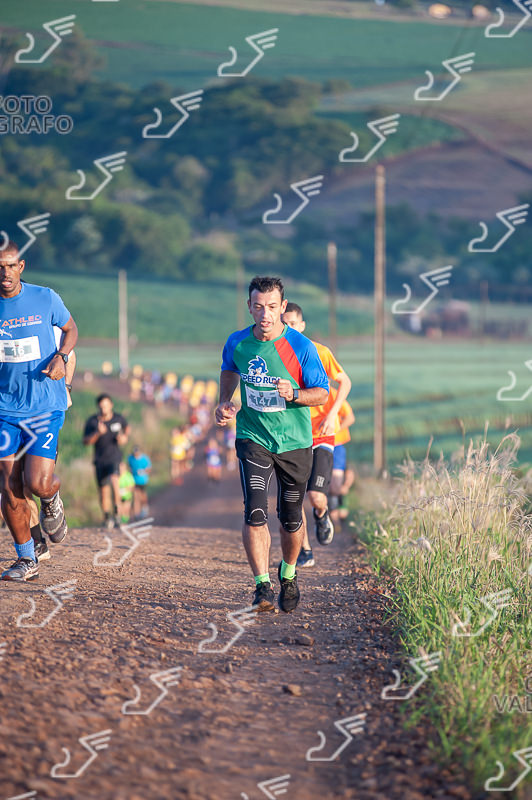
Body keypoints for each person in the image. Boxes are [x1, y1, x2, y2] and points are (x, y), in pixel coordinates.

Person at [215, 276, 329, 613]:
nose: (265, 314)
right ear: (249, 307)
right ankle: (262, 586)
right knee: (254, 511)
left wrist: (294, 393)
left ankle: (288, 574)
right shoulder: (237, 342)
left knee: (291, 519)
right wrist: (224, 401)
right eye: (259, 306)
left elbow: (322, 393)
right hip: (253, 436)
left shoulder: (302, 347)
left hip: (294, 442)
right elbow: (229, 369)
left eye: (272, 307)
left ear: (283, 307)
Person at [0, 240, 78, 581]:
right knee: (8, 486)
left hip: (44, 406)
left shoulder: (45, 298)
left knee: (37, 481)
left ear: (21, 266)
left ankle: (51, 498)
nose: (5, 272)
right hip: (5, 410)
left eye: (10, 265)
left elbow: (71, 329)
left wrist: (61, 356)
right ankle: (26, 557)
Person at [282, 303, 351, 568]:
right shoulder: (275, 353)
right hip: (292, 435)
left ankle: (322, 515)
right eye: (283, 323)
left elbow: (345, 381)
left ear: (302, 326)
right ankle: (305, 550)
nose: (288, 328)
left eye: (292, 324)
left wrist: (333, 414)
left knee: (316, 497)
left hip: (321, 433)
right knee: (294, 498)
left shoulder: (319, 351)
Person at [83, 394, 130, 529]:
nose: (104, 408)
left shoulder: (118, 419)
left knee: (115, 480)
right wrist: (98, 433)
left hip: (114, 458)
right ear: (98, 407)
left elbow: (126, 429)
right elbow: (86, 441)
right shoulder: (92, 422)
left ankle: (118, 513)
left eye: (106, 405)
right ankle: (107, 516)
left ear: (111, 405)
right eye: (102, 406)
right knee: (103, 490)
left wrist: (124, 438)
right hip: (100, 460)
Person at [329, 399, 356, 528]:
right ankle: (329, 515)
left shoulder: (336, 397)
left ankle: (336, 518)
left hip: (336, 444)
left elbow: (350, 418)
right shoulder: (309, 393)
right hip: (316, 443)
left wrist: (334, 429)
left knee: (336, 485)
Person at [127, 445, 151, 519]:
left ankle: (144, 507)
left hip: (143, 480)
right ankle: (136, 513)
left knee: (142, 495)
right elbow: (128, 467)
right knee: (136, 496)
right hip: (134, 480)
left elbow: (149, 469)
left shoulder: (144, 458)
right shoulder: (130, 458)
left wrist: (143, 472)